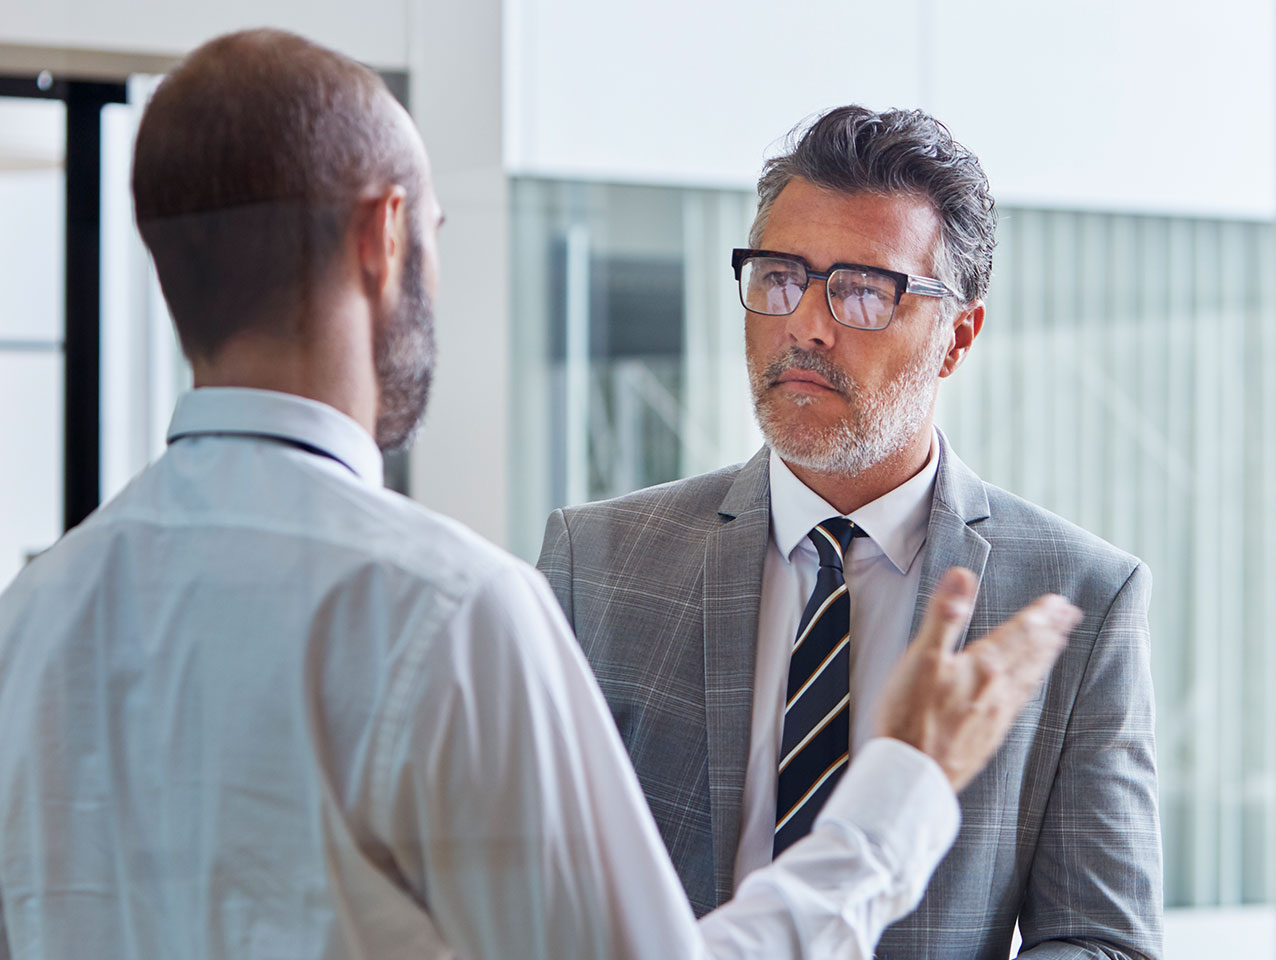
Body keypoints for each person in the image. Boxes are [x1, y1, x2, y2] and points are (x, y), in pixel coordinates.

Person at [0, 32, 1079, 960]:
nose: (805, 322)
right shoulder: (452, 611)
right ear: (383, 237)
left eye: (857, 290)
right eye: (432, 233)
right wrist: (900, 795)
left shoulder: (32, 618)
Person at [538, 105, 1163, 960]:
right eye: (779, 275)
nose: (805, 323)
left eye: (864, 289)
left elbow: (1104, 942)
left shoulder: (1078, 598)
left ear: (958, 337)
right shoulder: (597, 562)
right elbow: (527, 892)